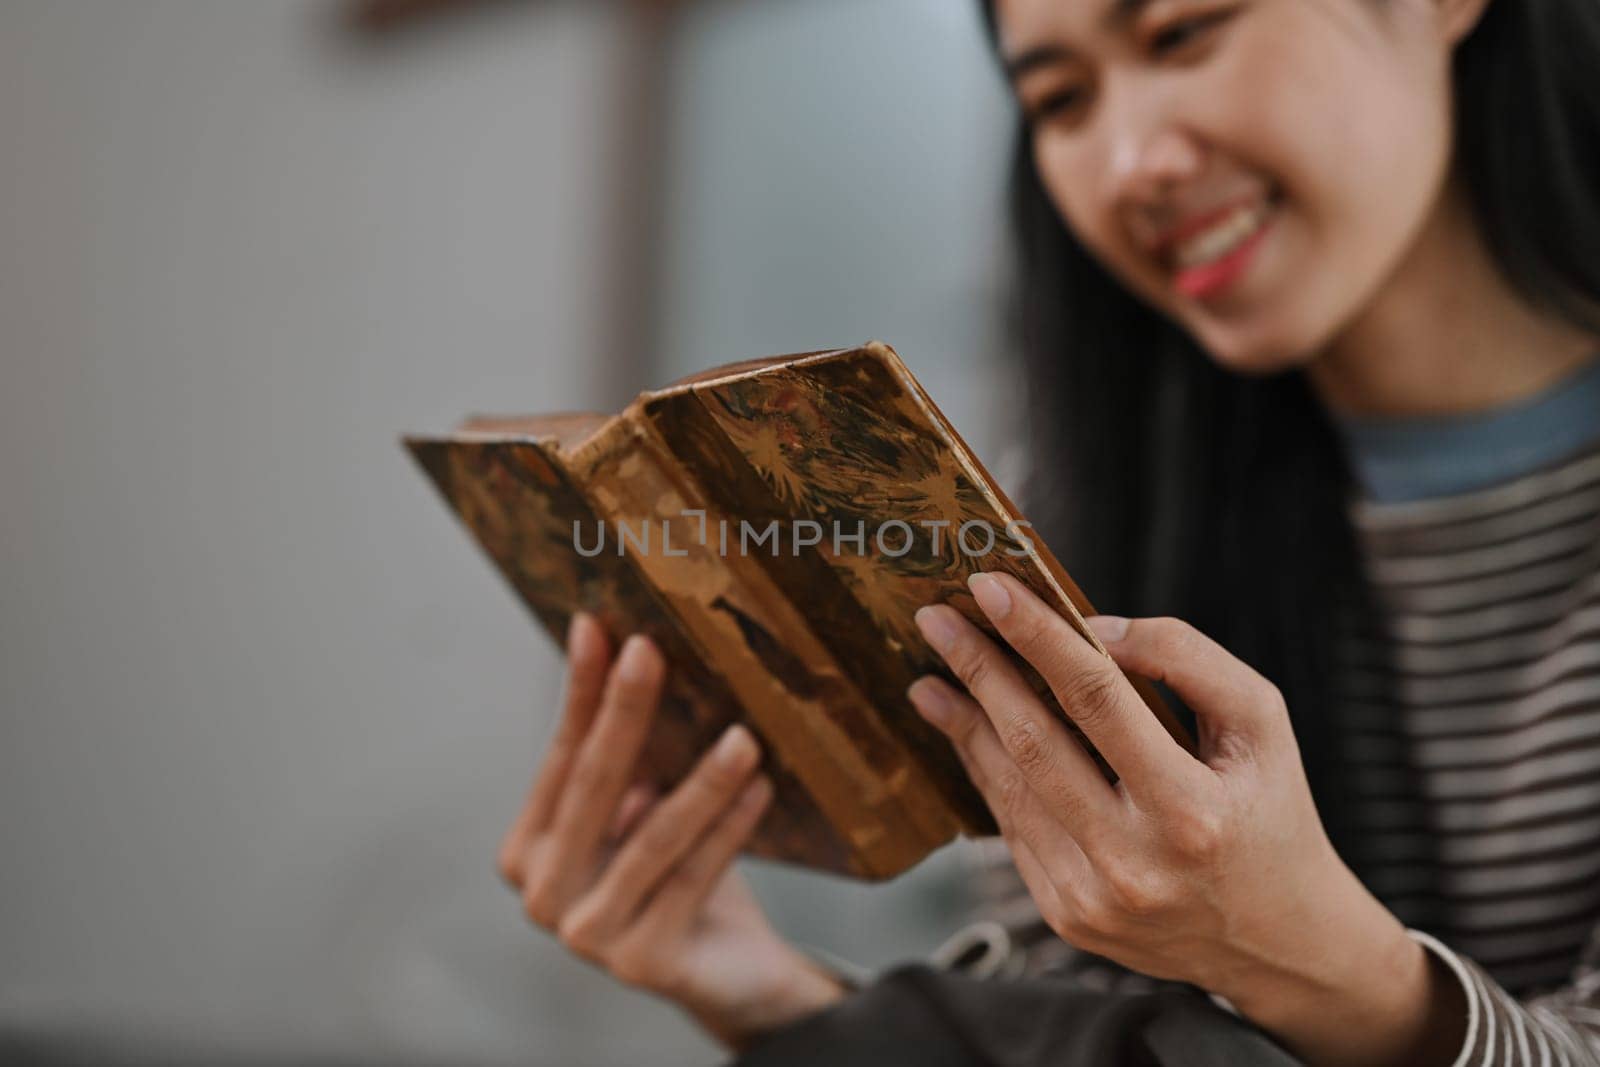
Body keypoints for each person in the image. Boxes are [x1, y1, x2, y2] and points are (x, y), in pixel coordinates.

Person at [494, 0, 1600, 1063]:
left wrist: (1324, 967)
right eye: (1061, 100)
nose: (1129, 166)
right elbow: (1072, 1015)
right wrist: (784, 1001)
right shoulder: (1126, 495)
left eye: (1181, 31)